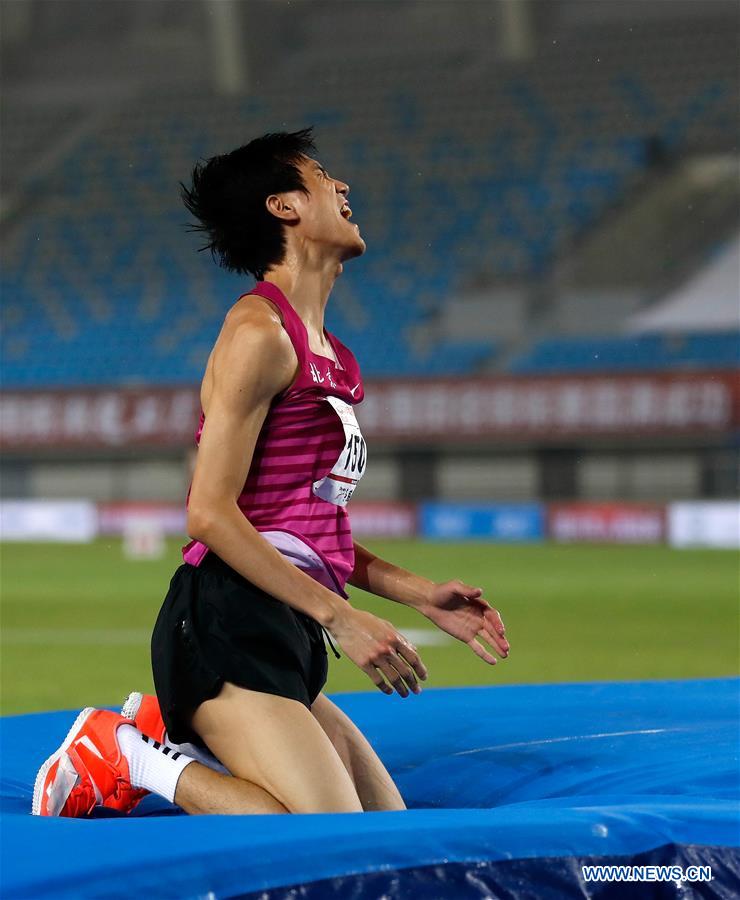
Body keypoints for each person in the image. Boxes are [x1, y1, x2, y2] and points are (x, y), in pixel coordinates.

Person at [32, 129, 510, 818]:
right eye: (321, 176)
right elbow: (209, 513)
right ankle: (124, 752)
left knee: (387, 830)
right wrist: (343, 618)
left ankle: (166, 736)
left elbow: (307, 532)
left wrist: (421, 594)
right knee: (325, 834)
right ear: (283, 207)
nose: (343, 187)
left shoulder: (335, 359)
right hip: (225, 620)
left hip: (289, 626)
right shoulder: (258, 334)